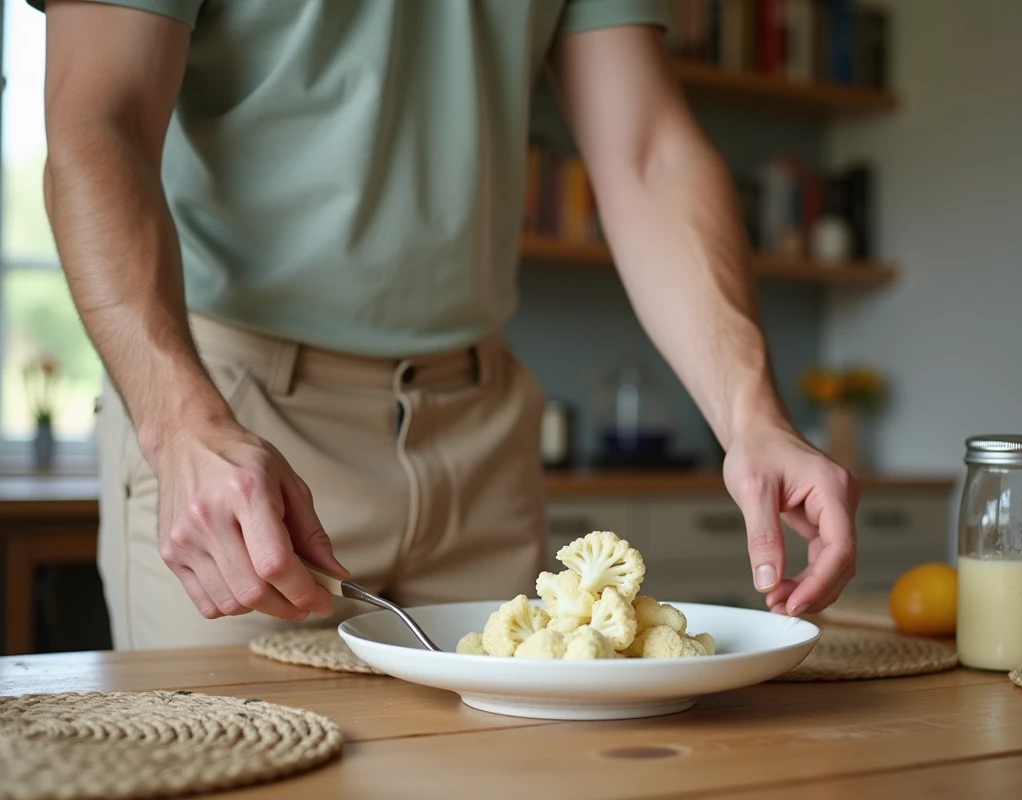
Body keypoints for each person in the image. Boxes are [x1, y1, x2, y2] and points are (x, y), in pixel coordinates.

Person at [37, 0, 861, 651]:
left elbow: (649, 155)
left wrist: (754, 416)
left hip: (480, 436)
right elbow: (96, 123)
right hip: (238, 428)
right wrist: (181, 426)